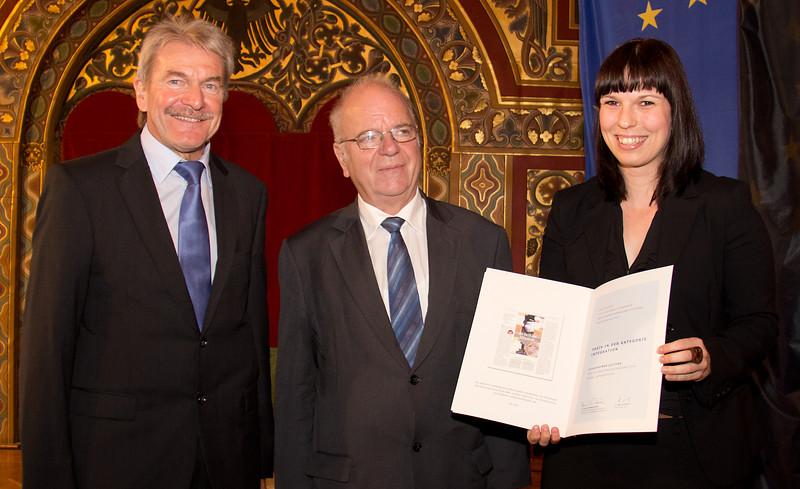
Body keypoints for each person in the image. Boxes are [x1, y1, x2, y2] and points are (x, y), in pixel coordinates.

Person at [20, 15, 273, 489]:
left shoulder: (247, 194)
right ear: (140, 92)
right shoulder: (80, 190)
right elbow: (47, 347)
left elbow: (250, 334)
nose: (194, 100)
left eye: (211, 85)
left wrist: (260, 457)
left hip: (225, 460)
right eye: (176, 80)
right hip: (116, 461)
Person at [534, 38, 777, 488]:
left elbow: (759, 323)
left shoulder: (724, 204)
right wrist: (537, 402)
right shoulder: (570, 209)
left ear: (674, 111)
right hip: (585, 455)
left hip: (693, 452)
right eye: (612, 102)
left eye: (646, 101)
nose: (626, 120)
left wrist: (710, 357)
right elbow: (552, 327)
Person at [274, 74, 534, 488]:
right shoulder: (306, 255)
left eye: (402, 131)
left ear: (419, 142)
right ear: (342, 157)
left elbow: (503, 388)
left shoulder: (483, 242)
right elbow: (295, 397)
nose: (390, 147)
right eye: (369, 137)